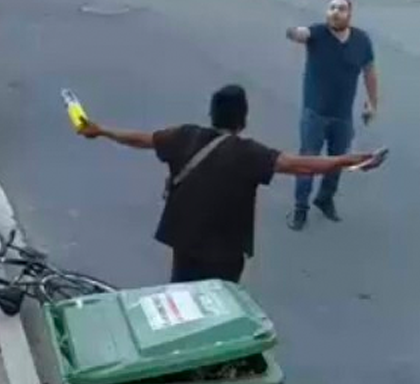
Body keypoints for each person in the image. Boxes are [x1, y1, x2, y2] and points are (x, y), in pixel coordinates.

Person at [77, 84, 382, 283]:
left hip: (185, 242)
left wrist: (101, 130)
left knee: (182, 299)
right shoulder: (249, 154)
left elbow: (141, 139)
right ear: (243, 119)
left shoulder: (184, 136)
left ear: (212, 114)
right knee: (218, 310)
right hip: (225, 253)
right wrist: (348, 160)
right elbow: (300, 164)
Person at [285, 0, 379, 231]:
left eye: (341, 8)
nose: (335, 12)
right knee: (307, 161)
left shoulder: (361, 40)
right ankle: (300, 208)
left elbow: (369, 71)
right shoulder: (317, 34)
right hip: (314, 113)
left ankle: (325, 199)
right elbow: (301, 34)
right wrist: (294, 32)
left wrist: (372, 102)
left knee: (337, 161)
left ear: (350, 15)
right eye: (332, 8)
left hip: (342, 115)